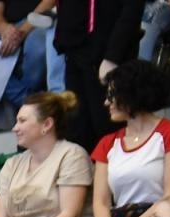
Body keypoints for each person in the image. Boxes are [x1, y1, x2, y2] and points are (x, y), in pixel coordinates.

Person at [92, 59, 170, 217]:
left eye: (112, 95)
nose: (107, 103)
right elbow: (101, 201)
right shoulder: (107, 143)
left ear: (133, 93)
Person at [53, 0, 145, 150]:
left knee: (106, 124)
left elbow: (132, 10)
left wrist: (113, 56)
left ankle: (112, 170)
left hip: (105, 52)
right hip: (73, 48)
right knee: (77, 127)